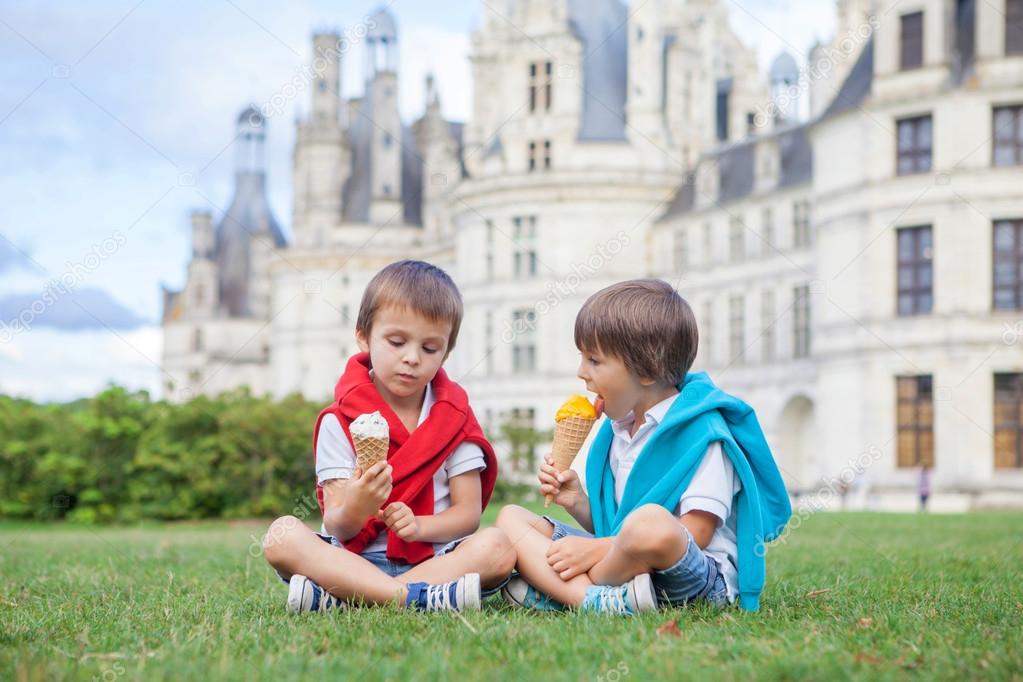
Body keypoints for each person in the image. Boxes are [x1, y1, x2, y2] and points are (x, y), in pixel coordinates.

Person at [496, 279, 791, 615]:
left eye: (594, 360)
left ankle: (566, 593)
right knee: (511, 519)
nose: (582, 373)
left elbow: (698, 531)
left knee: (650, 522)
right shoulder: (619, 430)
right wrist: (577, 502)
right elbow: (617, 527)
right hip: (627, 563)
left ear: (647, 370)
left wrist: (597, 551)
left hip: (697, 577)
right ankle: (598, 601)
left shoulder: (703, 433)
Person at [263, 260, 514, 612]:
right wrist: (357, 505)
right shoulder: (340, 420)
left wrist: (418, 526)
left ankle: (351, 597)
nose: (412, 358)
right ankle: (417, 598)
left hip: (436, 560)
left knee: (498, 546)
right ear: (363, 336)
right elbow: (338, 524)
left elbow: (468, 514)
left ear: (446, 352)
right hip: (354, 560)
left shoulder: (454, 418)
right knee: (281, 535)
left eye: (430, 349)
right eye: (396, 342)